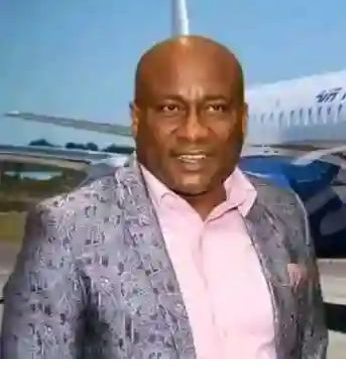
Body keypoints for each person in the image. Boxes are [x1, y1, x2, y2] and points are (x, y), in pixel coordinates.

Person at [1, 35, 327, 358]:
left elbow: (309, 348)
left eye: (215, 108)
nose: (193, 132)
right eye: (170, 109)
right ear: (136, 119)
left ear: (242, 120)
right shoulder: (67, 227)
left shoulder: (284, 211)